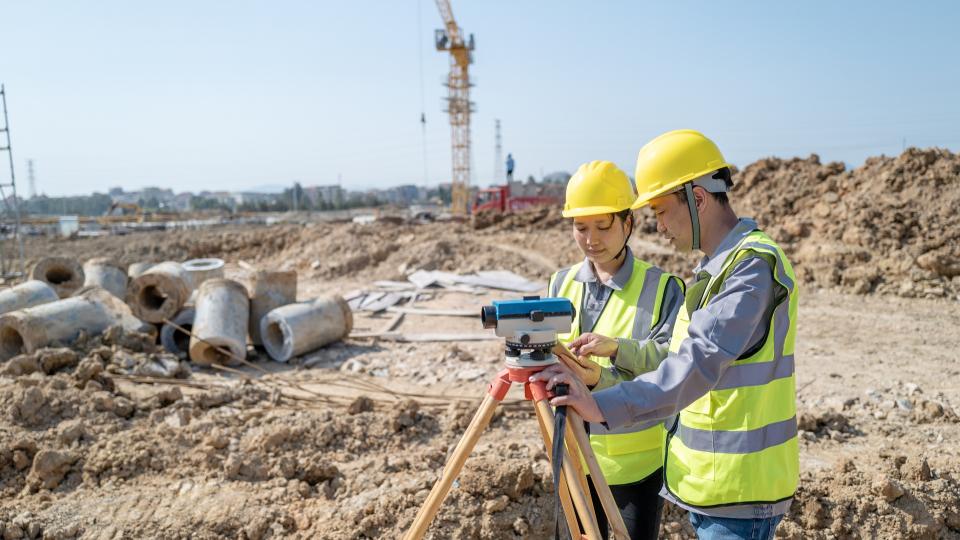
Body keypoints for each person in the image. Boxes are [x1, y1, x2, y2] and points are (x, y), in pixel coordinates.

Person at [535, 131, 800, 540]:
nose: (657, 227)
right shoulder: (715, 270)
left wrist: (600, 404)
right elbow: (674, 358)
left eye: (659, 210)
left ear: (697, 199)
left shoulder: (749, 269)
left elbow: (693, 365)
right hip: (709, 485)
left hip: (740, 489)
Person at [549, 160, 683, 539]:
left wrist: (613, 357)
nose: (591, 238)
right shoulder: (560, 283)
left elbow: (673, 367)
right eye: (580, 227)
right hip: (572, 454)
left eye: (603, 226)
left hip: (635, 465)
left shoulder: (663, 288)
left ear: (628, 223)